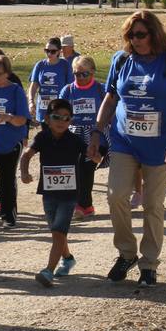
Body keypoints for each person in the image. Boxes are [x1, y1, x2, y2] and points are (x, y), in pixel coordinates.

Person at [88, 12, 166, 287]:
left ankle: (149, 263)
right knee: (116, 195)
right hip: (124, 140)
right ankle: (126, 253)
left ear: (154, 35)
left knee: (153, 205)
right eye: (131, 35)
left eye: (141, 35)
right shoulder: (121, 61)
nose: (136, 40)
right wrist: (97, 133)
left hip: (159, 145)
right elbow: (110, 98)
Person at [19, 98, 85, 287]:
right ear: (47, 119)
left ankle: (48, 271)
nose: (61, 121)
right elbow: (26, 155)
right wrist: (24, 172)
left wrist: (96, 156)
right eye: (57, 117)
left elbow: (91, 154)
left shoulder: (74, 140)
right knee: (56, 231)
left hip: (69, 194)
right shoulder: (42, 137)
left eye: (66, 118)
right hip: (48, 193)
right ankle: (69, 258)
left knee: (58, 231)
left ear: (71, 121)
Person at [0, 50, 29, 228]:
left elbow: (23, 119)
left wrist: (8, 117)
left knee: (7, 179)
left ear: (7, 73)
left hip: (11, 142)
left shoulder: (15, 90)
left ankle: (8, 215)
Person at [60, 55, 106, 219]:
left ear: (92, 72)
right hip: (75, 134)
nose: (80, 78)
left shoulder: (101, 89)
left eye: (84, 74)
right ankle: (84, 205)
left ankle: (83, 205)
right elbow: (59, 112)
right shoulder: (68, 90)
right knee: (77, 168)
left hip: (96, 134)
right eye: (76, 74)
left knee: (86, 167)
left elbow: (109, 112)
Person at [29, 37, 73, 124]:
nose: (49, 53)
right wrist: (31, 101)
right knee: (45, 133)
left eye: (53, 51)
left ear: (59, 51)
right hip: (43, 108)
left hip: (59, 107)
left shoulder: (65, 65)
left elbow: (70, 86)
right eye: (47, 50)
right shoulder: (40, 65)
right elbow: (34, 85)